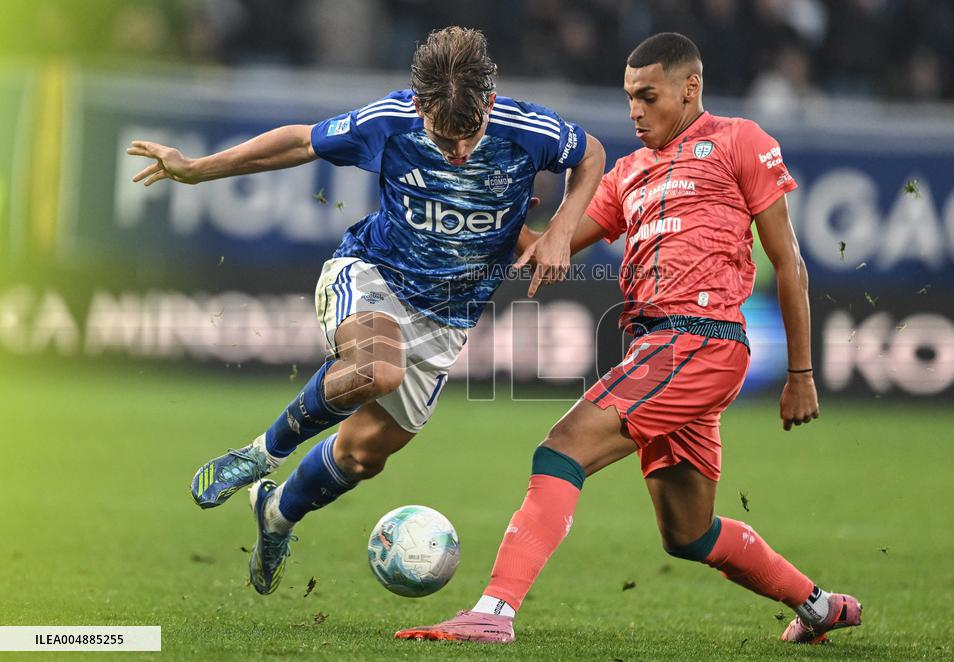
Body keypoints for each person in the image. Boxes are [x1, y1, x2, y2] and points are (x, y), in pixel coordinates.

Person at [396, 32, 861, 646]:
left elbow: (790, 261)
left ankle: (494, 612)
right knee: (688, 533)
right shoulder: (628, 174)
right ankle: (819, 605)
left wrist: (801, 374)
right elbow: (546, 250)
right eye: (628, 99)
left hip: (699, 338)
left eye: (648, 96)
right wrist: (499, 211)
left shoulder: (740, 141)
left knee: (560, 449)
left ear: (689, 88)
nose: (636, 111)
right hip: (659, 349)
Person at [126, 26, 605, 595]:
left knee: (360, 458)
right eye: (443, 137)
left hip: (448, 317)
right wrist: (198, 168)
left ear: (491, 103)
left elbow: (592, 153)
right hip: (371, 274)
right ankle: (260, 454)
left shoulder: (530, 129)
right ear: (420, 105)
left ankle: (276, 514)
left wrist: (560, 230)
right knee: (378, 368)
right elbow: (301, 142)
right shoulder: (389, 121)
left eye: (469, 135)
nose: (458, 152)